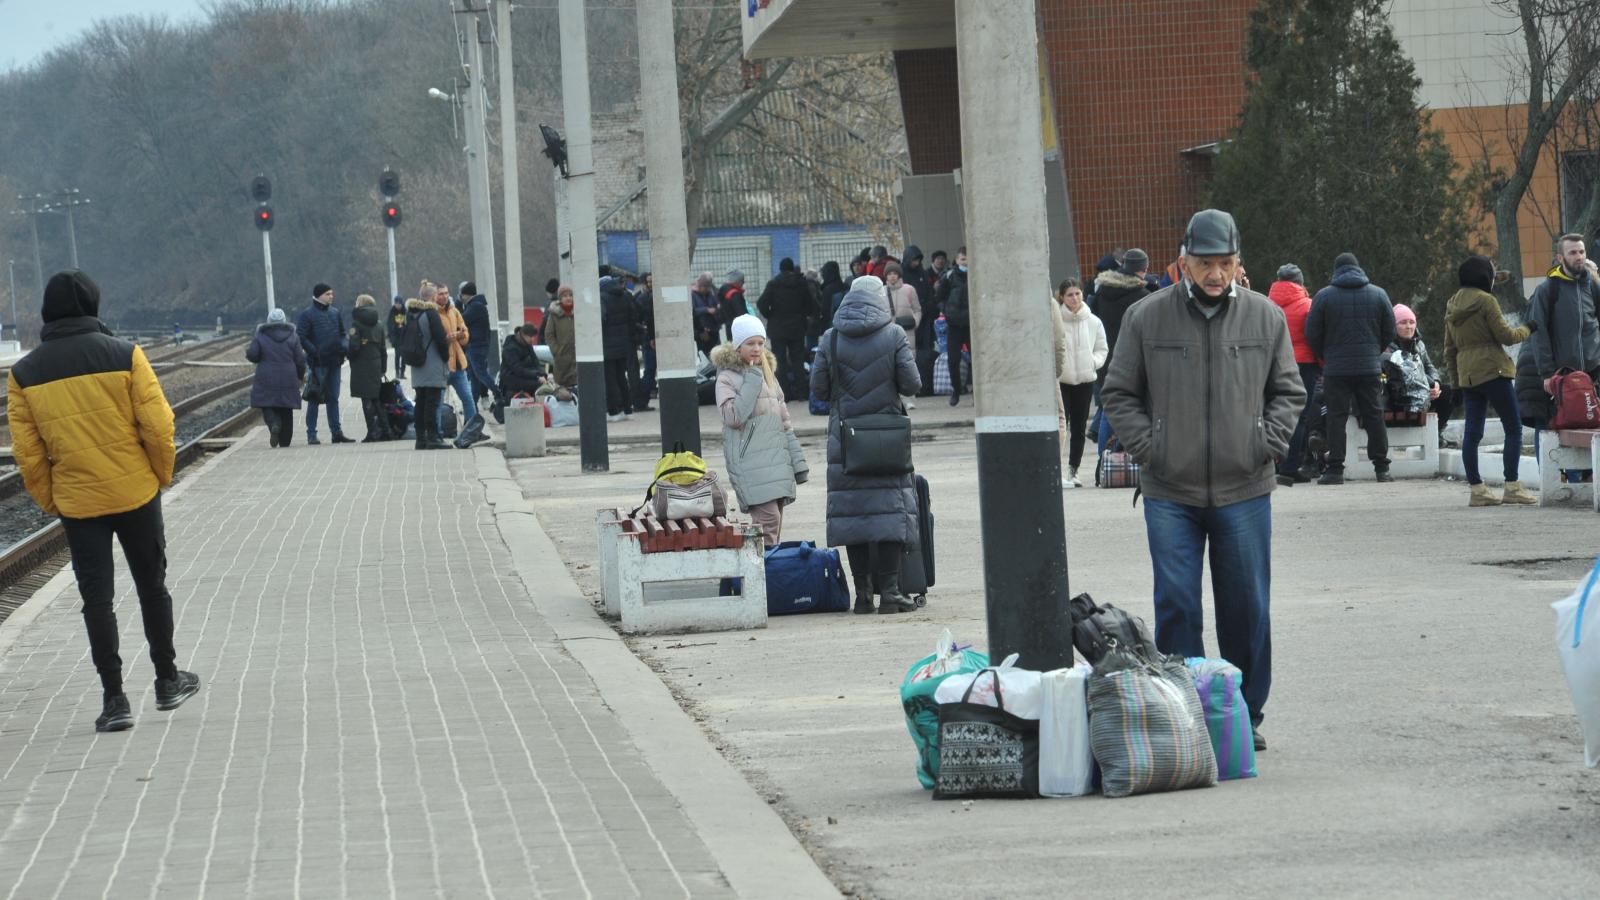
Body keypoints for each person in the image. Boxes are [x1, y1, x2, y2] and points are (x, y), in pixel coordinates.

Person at [1102, 209, 1305, 752]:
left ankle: (1243, 714)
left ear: (1239, 264)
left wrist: (1268, 444)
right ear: (1183, 263)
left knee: (1246, 605)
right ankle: (1185, 709)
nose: (1214, 274)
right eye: (1204, 263)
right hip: (1171, 491)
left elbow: (1288, 392)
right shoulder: (1147, 318)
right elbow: (1118, 392)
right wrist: (1151, 448)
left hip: (1245, 488)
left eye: (1224, 263)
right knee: (1176, 604)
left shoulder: (1266, 318)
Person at [7, 269, 201, 732]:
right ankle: (168, 680)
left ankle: (115, 699)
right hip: (135, 492)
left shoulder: (24, 373)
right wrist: (160, 475)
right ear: (93, 305)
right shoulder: (126, 355)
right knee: (152, 586)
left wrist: (52, 499)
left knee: (97, 600)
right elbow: (158, 427)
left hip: (78, 504)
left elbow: (28, 454)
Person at [809, 275, 923, 615]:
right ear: (881, 301)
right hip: (886, 437)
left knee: (854, 516)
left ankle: (862, 596)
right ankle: (890, 593)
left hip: (845, 439)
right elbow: (912, 383)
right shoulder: (893, 335)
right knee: (889, 512)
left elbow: (817, 388)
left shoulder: (831, 339)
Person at [1444, 255, 1536, 507]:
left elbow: (1449, 350)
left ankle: (1477, 489)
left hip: (1468, 376)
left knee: (1472, 433)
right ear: (1484, 277)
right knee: (1513, 429)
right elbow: (1506, 336)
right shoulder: (1486, 301)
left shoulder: (1452, 304)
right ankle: (1512, 486)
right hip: (1494, 371)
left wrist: (1454, 384)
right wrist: (1528, 328)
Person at [714, 315, 809, 548]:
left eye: (760, 342)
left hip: (776, 461)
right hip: (750, 462)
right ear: (737, 346)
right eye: (750, 343)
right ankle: (764, 577)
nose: (757, 349)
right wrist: (753, 379)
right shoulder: (727, 377)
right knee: (768, 523)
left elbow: (784, 421)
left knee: (774, 524)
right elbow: (732, 417)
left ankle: (771, 575)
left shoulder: (769, 375)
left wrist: (797, 461)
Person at [1304, 252, 1397, 484]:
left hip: (1336, 369)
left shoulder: (1324, 297)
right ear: (1359, 268)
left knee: (1336, 417)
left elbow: (1312, 333)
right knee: (1374, 414)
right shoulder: (1378, 294)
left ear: (1336, 270)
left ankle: (1335, 469)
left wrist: (1326, 355)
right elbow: (1390, 330)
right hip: (1369, 367)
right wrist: (1374, 351)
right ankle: (1382, 469)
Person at [1090, 248, 1154, 453]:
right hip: (1131, 358)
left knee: (1108, 407)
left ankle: (1103, 460)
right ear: (1143, 269)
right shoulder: (1142, 296)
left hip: (1105, 356)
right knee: (1131, 408)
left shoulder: (1102, 291)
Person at [1267, 264, 1322, 484]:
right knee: (1299, 416)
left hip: (1274, 364)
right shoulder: (1308, 305)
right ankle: (1290, 467)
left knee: (1272, 413)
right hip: (1304, 364)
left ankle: (1271, 464)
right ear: (1300, 282)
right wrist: (1321, 363)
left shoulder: (1266, 304)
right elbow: (1314, 337)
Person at [1054, 278, 1107, 487]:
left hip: (1085, 380)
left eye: (1077, 293)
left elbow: (1102, 348)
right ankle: (1055, 470)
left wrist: (1092, 363)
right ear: (1062, 297)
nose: (1074, 298)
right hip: (1062, 380)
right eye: (1069, 295)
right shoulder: (1056, 320)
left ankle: (1073, 470)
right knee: (1061, 426)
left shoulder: (1093, 321)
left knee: (1078, 427)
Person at [295, 282, 352, 444]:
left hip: (335, 361)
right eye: (328, 294)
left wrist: (344, 347)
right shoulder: (307, 315)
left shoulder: (335, 313)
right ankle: (311, 434)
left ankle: (336, 432)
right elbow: (301, 336)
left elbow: (342, 333)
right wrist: (314, 352)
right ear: (319, 295)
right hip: (318, 363)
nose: (331, 296)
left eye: (332, 294)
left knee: (333, 397)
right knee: (315, 398)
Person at [1384, 302, 1453, 430]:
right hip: (1399, 395)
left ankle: (1437, 432)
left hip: (1422, 391)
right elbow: (1403, 374)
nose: (1408, 326)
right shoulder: (1387, 346)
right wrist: (1428, 385)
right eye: (1403, 322)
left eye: (1411, 322)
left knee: (1449, 392)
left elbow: (1429, 366)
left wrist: (1436, 383)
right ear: (1394, 326)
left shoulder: (1419, 344)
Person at [756, 257, 817, 401]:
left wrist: (770, 315)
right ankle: (802, 393)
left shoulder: (773, 284)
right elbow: (810, 304)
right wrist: (804, 315)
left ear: (781, 268)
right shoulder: (801, 284)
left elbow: (761, 303)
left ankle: (785, 394)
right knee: (798, 359)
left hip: (778, 328)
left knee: (780, 361)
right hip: (797, 328)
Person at [246, 307, 307, 447]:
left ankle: (274, 422)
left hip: (266, 375)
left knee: (266, 403)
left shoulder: (261, 335)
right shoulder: (293, 335)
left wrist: (250, 353)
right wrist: (300, 375)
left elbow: (253, 355)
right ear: (284, 320)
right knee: (287, 408)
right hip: (288, 375)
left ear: (268, 321)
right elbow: (300, 359)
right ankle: (285, 441)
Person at [403, 295, 451, 450]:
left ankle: (420, 439)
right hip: (433, 363)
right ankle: (433, 438)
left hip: (417, 365)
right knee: (432, 402)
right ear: (431, 297)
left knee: (421, 402)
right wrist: (446, 357)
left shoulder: (411, 313)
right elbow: (440, 339)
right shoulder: (431, 314)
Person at [431, 282, 478, 435]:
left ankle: (471, 430)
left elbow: (466, 335)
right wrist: (447, 339)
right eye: (441, 293)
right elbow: (433, 339)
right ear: (434, 296)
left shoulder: (454, 311)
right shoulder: (432, 313)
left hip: (457, 364)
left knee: (468, 398)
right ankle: (437, 434)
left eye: (446, 293)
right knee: (438, 403)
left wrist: (462, 335)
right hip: (442, 365)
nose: (444, 296)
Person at [348, 294, 391, 442]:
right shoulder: (378, 324)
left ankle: (372, 432)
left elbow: (354, 347)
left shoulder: (356, 324)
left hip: (361, 365)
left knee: (366, 399)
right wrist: (383, 368)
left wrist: (349, 356)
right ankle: (386, 430)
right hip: (376, 364)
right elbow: (383, 349)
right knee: (377, 398)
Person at [883, 262, 924, 410]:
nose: (892, 276)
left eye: (894, 273)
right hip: (888, 333)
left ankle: (909, 398)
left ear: (899, 274)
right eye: (889, 274)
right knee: (891, 367)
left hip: (907, 332)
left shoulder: (909, 289)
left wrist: (915, 322)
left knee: (908, 365)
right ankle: (896, 399)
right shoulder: (882, 291)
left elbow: (917, 309)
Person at [600, 275, 640, 421]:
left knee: (610, 379)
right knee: (622, 377)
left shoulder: (602, 298)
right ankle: (628, 409)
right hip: (624, 345)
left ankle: (614, 411)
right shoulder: (625, 296)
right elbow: (633, 317)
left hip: (607, 345)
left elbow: (602, 319)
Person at [900, 247, 938, 396]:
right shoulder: (903, 275)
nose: (916, 263)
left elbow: (929, 293)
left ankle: (926, 385)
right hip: (910, 321)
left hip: (925, 319)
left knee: (925, 353)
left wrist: (927, 307)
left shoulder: (922, 273)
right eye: (914, 260)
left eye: (918, 260)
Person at [940, 247, 971, 406]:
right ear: (957, 260)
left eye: (967, 259)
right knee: (953, 360)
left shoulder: (975, 275)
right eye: (962, 259)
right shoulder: (949, 276)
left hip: (972, 325)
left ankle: (977, 393)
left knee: (976, 360)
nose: (965, 262)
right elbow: (940, 296)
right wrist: (946, 312)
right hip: (954, 325)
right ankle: (956, 391)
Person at [459, 281, 496, 407]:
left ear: (467, 295)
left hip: (477, 346)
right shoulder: (476, 305)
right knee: (474, 377)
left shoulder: (475, 306)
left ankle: (498, 392)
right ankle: (473, 404)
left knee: (480, 374)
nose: (461, 298)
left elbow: (461, 320)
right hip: (475, 346)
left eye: (462, 295)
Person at [542, 284, 578, 388]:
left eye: (570, 295)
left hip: (577, 357)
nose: (568, 298)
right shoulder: (554, 315)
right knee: (563, 388)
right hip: (561, 358)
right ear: (560, 298)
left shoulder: (579, 312)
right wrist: (556, 350)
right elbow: (549, 334)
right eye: (565, 296)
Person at [499, 324, 546, 400]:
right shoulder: (510, 348)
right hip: (510, 378)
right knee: (537, 384)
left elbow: (535, 362)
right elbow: (517, 369)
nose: (532, 339)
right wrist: (536, 375)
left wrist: (542, 374)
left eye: (533, 337)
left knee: (543, 382)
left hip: (523, 375)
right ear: (523, 335)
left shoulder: (527, 343)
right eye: (530, 337)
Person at [634, 272, 657, 411]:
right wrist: (649, 338)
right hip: (649, 339)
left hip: (649, 338)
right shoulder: (644, 298)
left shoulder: (644, 297)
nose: (650, 284)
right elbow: (648, 320)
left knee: (650, 369)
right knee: (650, 370)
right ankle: (641, 400)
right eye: (649, 282)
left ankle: (641, 400)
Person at [692, 272, 721, 357]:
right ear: (701, 286)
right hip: (702, 332)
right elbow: (692, 312)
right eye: (706, 287)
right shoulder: (693, 294)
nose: (708, 289)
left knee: (717, 355)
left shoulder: (712, 293)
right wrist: (706, 310)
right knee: (704, 357)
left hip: (714, 330)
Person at [717, 271, 748, 342]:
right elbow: (741, 313)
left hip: (729, 325)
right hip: (738, 328)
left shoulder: (724, 291)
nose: (743, 283)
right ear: (737, 282)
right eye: (742, 281)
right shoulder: (735, 295)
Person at [386, 294, 408, 380]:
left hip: (404, 337)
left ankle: (402, 372)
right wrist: (392, 337)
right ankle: (397, 372)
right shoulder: (392, 312)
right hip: (396, 338)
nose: (398, 305)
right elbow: (390, 324)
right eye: (396, 303)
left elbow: (408, 323)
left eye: (399, 303)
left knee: (404, 356)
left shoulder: (405, 312)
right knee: (397, 355)